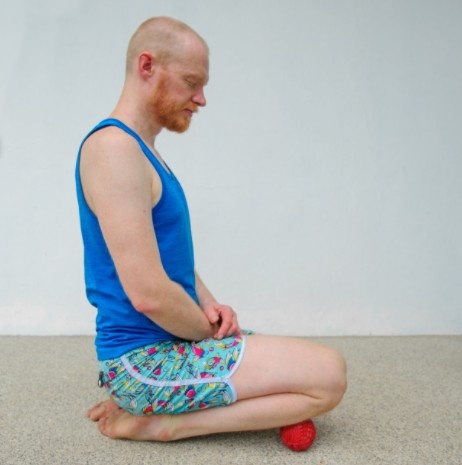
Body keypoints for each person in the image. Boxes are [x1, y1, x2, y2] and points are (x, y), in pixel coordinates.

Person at [76, 16, 346, 445]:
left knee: (306, 372)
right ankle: (165, 425)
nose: (201, 98)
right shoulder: (114, 150)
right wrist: (207, 333)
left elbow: (165, 258)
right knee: (329, 377)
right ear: (147, 66)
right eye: (191, 82)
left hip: (166, 345)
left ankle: (150, 405)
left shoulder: (142, 151)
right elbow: (148, 294)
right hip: (144, 361)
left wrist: (208, 304)